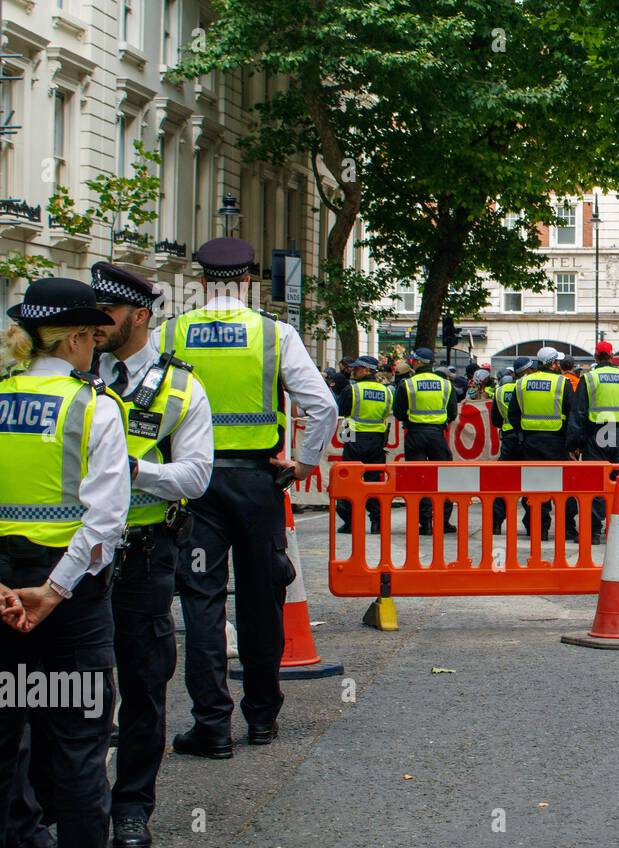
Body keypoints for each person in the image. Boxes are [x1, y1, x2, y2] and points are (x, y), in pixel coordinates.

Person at [161, 236, 338, 756]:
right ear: (249, 282)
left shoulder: (172, 333)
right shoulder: (274, 334)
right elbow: (322, 406)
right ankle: (261, 716)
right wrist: (305, 461)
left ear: (199, 283)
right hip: (258, 483)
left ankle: (212, 725)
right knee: (264, 598)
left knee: (202, 601)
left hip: (194, 487)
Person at [0, 277, 129, 848]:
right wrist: (51, 591)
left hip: (3, 592)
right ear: (76, 339)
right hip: (68, 597)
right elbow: (103, 521)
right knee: (79, 743)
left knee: (4, 738)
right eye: (95, 338)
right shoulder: (94, 407)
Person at [92, 262, 215, 848]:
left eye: (107, 315)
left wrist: (132, 469)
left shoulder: (180, 387)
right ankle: (72, 807)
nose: (94, 325)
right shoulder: (72, 373)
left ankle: (132, 807)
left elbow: (196, 473)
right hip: (72, 553)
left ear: (139, 317)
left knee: (143, 683)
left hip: (143, 553)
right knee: (70, 687)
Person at [566, 341, 619, 544]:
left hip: (596, 436)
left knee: (595, 484)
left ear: (596, 356)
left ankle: (593, 532)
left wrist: (573, 444)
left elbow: (579, 413)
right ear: (611, 356)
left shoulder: (590, 378)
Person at [507, 347, 573, 540]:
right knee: (563, 488)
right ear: (553, 363)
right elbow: (572, 414)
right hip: (557, 442)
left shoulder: (522, 383)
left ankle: (538, 528)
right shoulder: (562, 383)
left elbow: (513, 414)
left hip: (530, 442)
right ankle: (567, 528)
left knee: (535, 487)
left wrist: (522, 433)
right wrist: (571, 443)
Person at [394, 346, 457, 535]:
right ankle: (444, 521)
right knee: (444, 478)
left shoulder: (407, 384)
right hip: (437, 435)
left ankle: (425, 523)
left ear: (418, 362)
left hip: (415, 434)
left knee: (418, 479)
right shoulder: (446, 385)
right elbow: (452, 413)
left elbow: (398, 413)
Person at [335, 355, 391, 534]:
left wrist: (346, 438)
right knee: (374, 482)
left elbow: (343, 413)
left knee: (350, 482)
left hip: (353, 438)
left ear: (367, 370)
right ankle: (377, 523)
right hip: (377, 440)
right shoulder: (387, 391)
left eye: (357, 368)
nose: (353, 370)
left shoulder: (352, 390)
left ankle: (351, 522)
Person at [490, 357, 530, 534]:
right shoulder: (527, 387)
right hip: (529, 439)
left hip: (508, 440)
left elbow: (496, 420)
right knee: (532, 484)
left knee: (502, 483)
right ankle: (533, 525)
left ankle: (496, 523)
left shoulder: (500, 391)